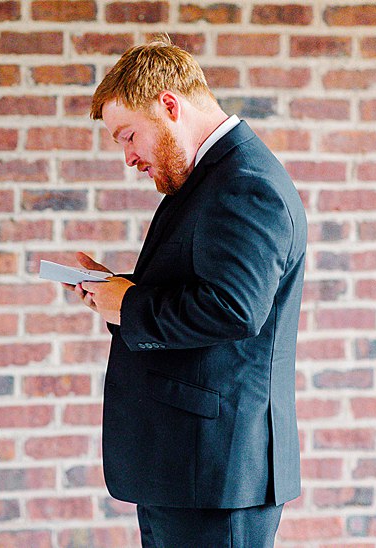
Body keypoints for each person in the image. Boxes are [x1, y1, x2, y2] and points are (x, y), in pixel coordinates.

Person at [59, 37, 307, 547]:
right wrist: (117, 292)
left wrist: (128, 306)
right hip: (190, 466)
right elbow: (204, 288)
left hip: (215, 473)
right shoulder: (212, 177)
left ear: (169, 106)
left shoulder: (243, 183)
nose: (129, 157)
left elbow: (235, 308)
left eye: (129, 135)